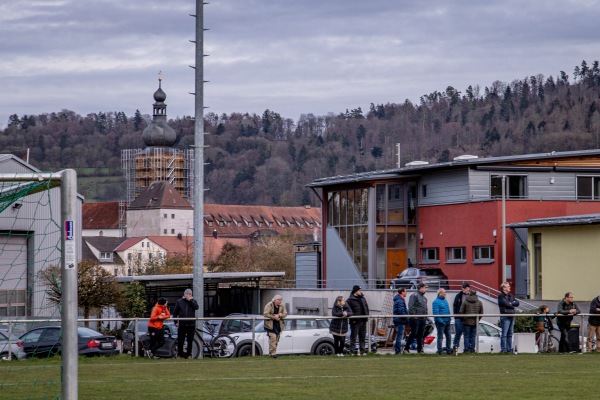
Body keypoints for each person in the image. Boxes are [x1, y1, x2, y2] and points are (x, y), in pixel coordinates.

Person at [172, 288, 199, 359]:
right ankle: (180, 354)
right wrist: (176, 322)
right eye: (187, 294)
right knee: (181, 340)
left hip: (191, 324)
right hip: (182, 324)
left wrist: (191, 301)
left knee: (190, 341)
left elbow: (196, 307)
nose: (188, 295)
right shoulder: (179, 302)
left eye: (190, 294)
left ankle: (188, 354)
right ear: (184, 294)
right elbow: (175, 313)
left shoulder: (193, 301)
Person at [404, 282, 428, 354]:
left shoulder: (424, 298)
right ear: (420, 288)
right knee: (414, 333)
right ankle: (406, 348)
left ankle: (420, 349)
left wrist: (425, 316)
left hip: (422, 318)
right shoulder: (414, 296)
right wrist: (414, 316)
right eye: (424, 288)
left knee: (421, 334)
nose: (425, 289)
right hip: (415, 318)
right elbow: (411, 306)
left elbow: (425, 308)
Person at [346, 285, 370, 355]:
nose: (360, 291)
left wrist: (367, 316)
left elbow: (366, 308)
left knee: (362, 337)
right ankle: (352, 352)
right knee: (353, 337)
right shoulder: (350, 300)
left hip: (363, 321)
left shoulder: (363, 298)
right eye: (359, 290)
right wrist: (352, 318)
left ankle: (362, 351)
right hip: (355, 321)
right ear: (355, 291)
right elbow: (348, 310)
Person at [498, 281, 519, 353]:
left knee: (510, 334)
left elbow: (517, 303)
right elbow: (506, 304)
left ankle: (509, 349)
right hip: (505, 316)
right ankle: (503, 349)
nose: (510, 287)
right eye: (508, 286)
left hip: (511, 316)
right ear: (504, 288)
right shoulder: (501, 296)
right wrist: (511, 303)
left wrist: (511, 303)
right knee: (504, 334)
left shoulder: (511, 295)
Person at [459, 289, 483, 353]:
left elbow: (461, 312)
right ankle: (472, 349)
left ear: (469, 294)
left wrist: (463, 319)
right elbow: (481, 313)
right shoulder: (479, 302)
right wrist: (478, 319)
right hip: (475, 321)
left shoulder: (465, 302)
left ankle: (466, 349)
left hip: (466, 321)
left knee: (466, 336)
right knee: (473, 336)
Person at [452, 282, 471, 354]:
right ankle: (455, 347)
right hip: (459, 317)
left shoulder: (471, 296)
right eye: (462, 287)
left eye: (465, 288)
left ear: (468, 288)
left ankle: (467, 349)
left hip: (467, 318)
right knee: (458, 333)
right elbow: (455, 305)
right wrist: (456, 316)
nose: (463, 289)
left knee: (466, 334)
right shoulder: (458, 295)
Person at [432, 288, 452, 355]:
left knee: (448, 336)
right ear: (440, 293)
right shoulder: (436, 302)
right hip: (441, 322)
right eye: (444, 292)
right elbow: (436, 313)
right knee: (440, 336)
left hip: (447, 321)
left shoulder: (445, 300)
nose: (445, 293)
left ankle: (448, 350)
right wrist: (441, 320)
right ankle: (440, 350)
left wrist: (449, 318)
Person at [392, 287, 408, 355]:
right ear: (402, 292)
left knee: (399, 335)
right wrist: (406, 318)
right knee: (399, 336)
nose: (406, 292)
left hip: (398, 319)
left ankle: (398, 350)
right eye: (405, 291)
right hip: (400, 320)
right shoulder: (400, 300)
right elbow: (401, 311)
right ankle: (398, 351)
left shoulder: (399, 300)